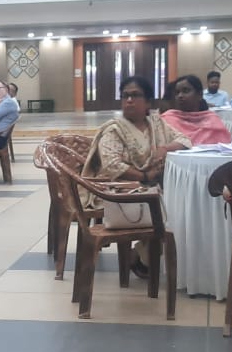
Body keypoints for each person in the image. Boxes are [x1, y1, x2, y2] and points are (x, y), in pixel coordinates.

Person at [82, 76, 192, 277]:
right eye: (125, 96)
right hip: (116, 189)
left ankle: (143, 256)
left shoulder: (157, 124)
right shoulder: (114, 129)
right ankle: (144, 257)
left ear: (148, 102)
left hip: (149, 188)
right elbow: (112, 165)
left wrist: (165, 148)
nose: (129, 100)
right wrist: (144, 175)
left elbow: (185, 141)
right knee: (166, 206)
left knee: (182, 202)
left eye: (135, 95)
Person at [161, 75, 232, 145]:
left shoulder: (212, 121)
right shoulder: (167, 120)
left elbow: (225, 148)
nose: (180, 96)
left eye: (186, 91)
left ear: (200, 95)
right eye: (177, 93)